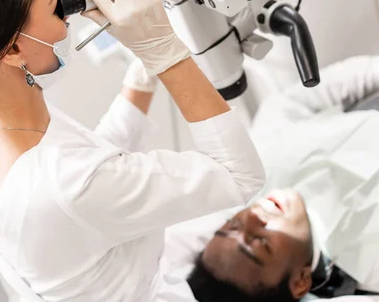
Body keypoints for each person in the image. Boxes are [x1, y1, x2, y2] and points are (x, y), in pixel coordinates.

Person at [0, 0, 265, 301]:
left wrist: (142, 74)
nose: (69, 14)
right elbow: (240, 176)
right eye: (56, 6)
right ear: (12, 50)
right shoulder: (67, 184)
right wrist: (163, 51)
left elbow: (89, 170)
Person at [158, 56, 379, 302]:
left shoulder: (263, 157)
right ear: (300, 282)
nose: (253, 217)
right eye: (262, 243)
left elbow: (314, 93)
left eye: (232, 225)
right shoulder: (370, 268)